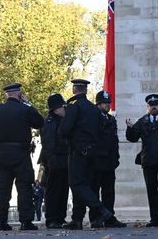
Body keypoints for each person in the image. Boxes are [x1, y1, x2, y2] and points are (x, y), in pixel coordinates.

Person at [0, 83, 44, 231]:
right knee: (24, 187)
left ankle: (0, 221)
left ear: (6, 95)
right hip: (21, 153)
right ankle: (25, 221)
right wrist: (28, 103)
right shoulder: (25, 109)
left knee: (2, 188)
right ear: (19, 95)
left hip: (3, 153)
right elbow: (39, 122)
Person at [59, 79, 113, 230]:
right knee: (83, 185)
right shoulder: (93, 109)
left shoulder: (74, 107)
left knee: (77, 184)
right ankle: (77, 219)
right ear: (86, 91)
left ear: (74, 89)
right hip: (93, 152)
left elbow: (65, 129)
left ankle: (100, 209)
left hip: (78, 151)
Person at [126, 93, 158, 227]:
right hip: (148, 161)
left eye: (156, 105)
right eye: (151, 105)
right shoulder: (143, 121)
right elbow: (133, 138)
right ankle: (155, 219)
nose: (154, 107)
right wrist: (130, 128)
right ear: (147, 106)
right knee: (151, 191)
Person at [89, 90, 126, 228]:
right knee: (94, 190)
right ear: (98, 104)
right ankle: (95, 218)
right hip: (97, 161)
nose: (107, 105)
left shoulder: (110, 119)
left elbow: (114, 140)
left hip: (109, 161)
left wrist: (116, 157)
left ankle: (109, 217)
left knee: (109, 191)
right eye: (105, 103)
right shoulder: (93, 118)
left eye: (108, 103)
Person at [39, 93, 69, 229]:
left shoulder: (59, 120)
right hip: (55, 161)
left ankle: (60, 218)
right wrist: (52, 161)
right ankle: (52, 219)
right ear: (56, 109)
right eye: (63, 107)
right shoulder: (50, 122)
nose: (65, 109)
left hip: (63, 160)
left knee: (63, 191)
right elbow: (48, 144)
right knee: (53, 192)